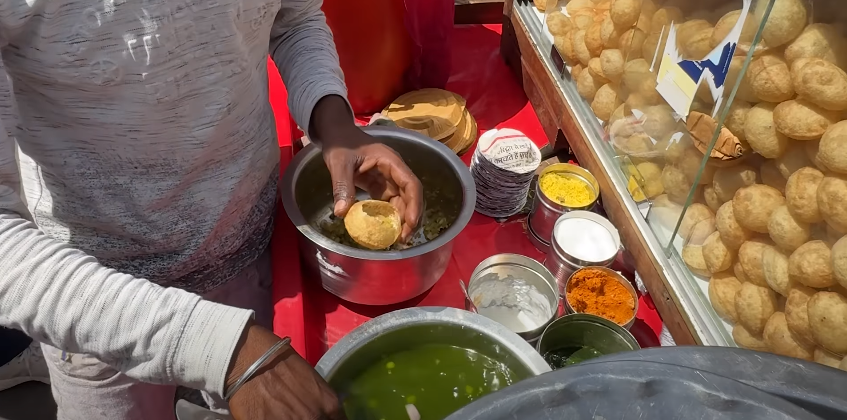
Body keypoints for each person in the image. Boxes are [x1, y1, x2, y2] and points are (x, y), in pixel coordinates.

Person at [0, 1, 422, 419]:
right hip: (93, 306)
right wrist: (224, 349)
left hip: (249, 256)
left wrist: (335, 125)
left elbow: (294, 19)